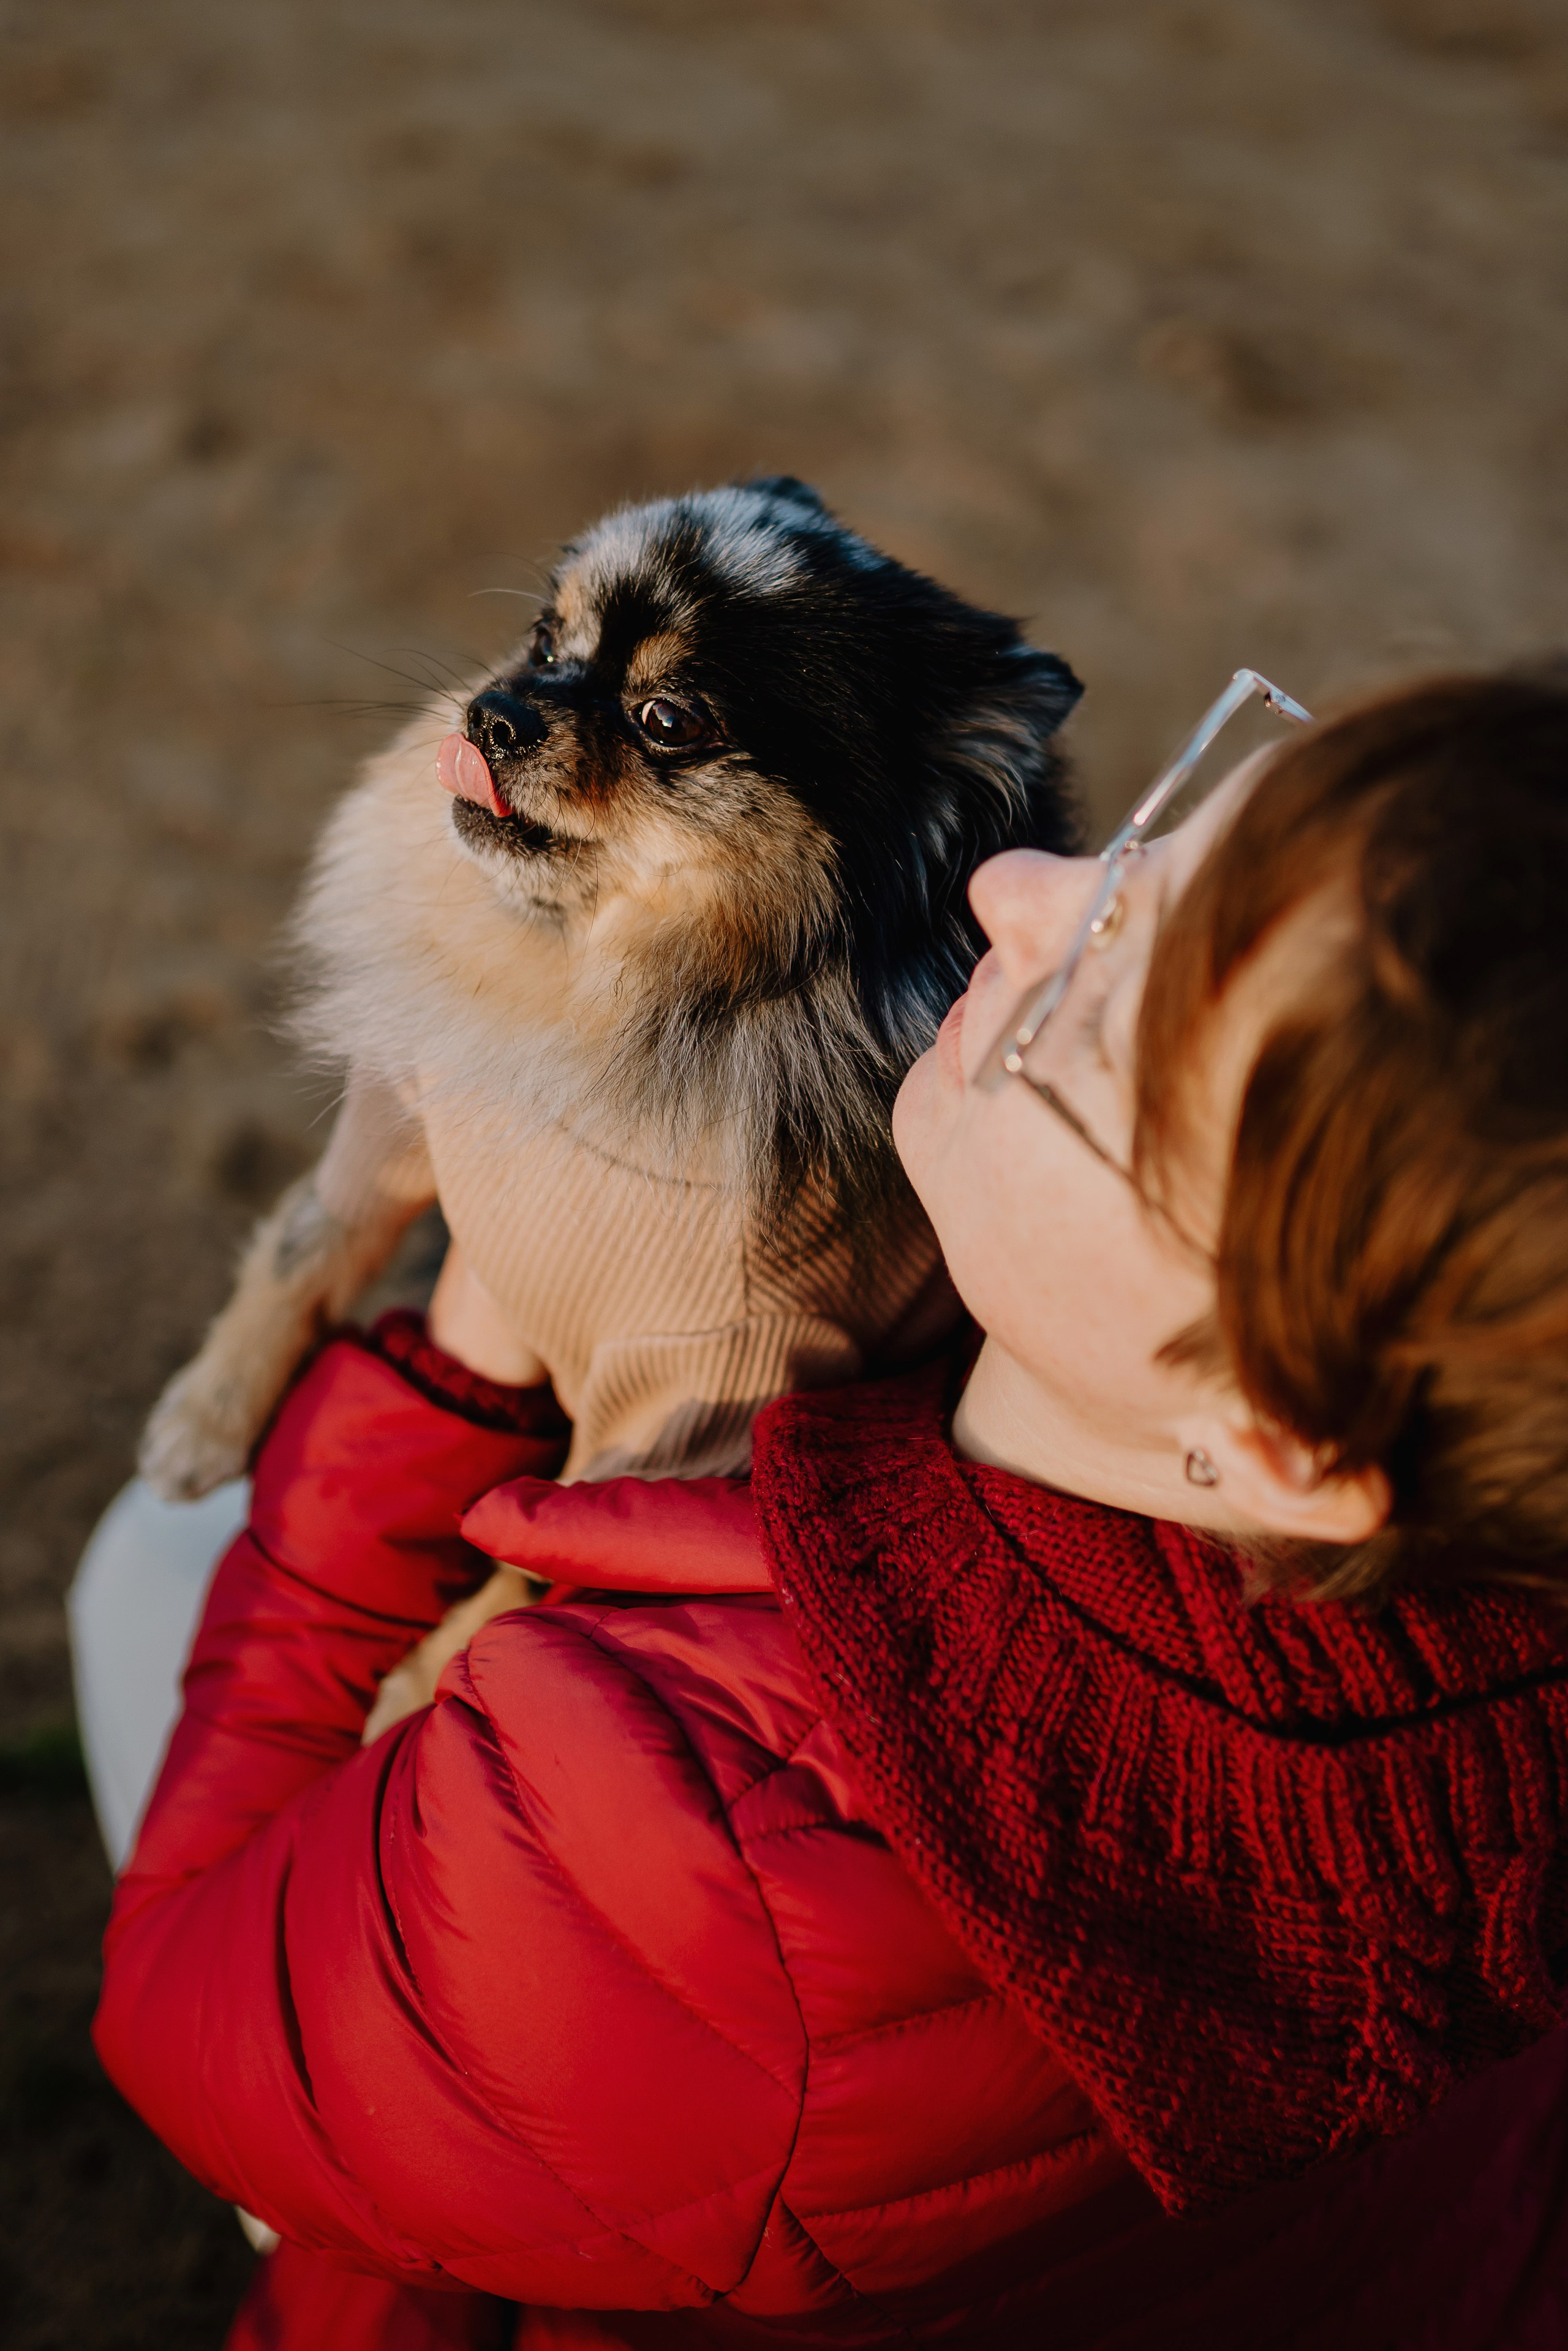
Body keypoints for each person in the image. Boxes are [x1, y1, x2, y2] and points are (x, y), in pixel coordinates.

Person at [87, 666, 1568, 2350]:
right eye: (1150, 859)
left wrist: (477, 1327)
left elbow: (177, 2011)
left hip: (497, 2085)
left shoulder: (707, 1895)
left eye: (1107, 1013)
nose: (1017, 886)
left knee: (150, 1568)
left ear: (1285, 1432)